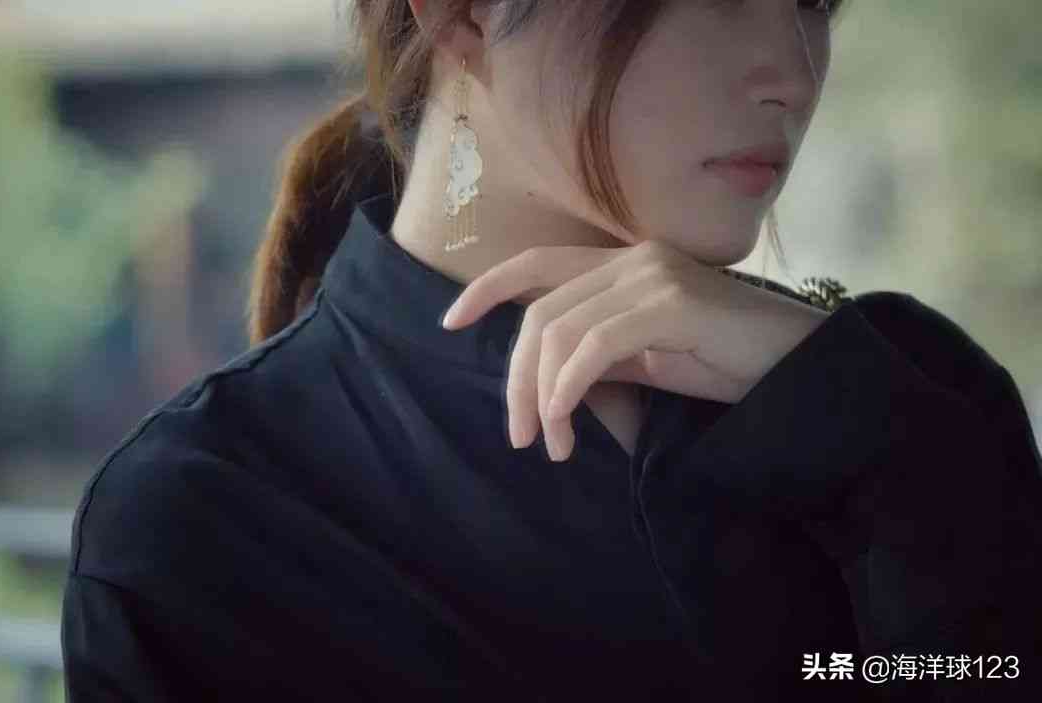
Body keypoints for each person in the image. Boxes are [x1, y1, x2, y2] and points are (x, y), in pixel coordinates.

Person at [60, 1, 1042, 700]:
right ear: (464, 14)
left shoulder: (916, 398)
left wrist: (877, 438)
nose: (791, 73)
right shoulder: (204, 519)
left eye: (815, 1)